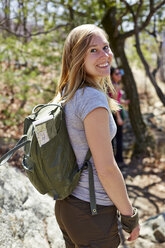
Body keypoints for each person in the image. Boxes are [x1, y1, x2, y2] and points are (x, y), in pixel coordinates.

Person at [53, 24, 140, 248]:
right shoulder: (92, 100)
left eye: (106, 47)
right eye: (93, 50)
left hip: (66, 206)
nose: (105, 55)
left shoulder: (66, 93)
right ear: (76, 57)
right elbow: (107, 169)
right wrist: (129, 215)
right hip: (92, 212)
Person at [110, 67, 130, 168]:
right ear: (112, 75)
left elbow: (117, 99)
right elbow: (114, 103)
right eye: (117, 73)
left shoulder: (115, 85)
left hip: (115, 113)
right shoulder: (114, 85)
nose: (119, 75)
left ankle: (116, 160)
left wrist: (124, 102)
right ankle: (119, 161)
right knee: (118, 138)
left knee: (114, 138)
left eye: (120, 73)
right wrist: (118, 118)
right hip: (115, 114)